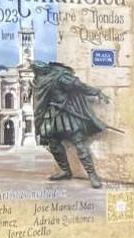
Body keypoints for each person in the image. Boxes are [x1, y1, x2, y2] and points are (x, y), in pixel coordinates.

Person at [30, 60, 112, 188]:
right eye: (37, 71)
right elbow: (38, 103)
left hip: (66, 115)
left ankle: (92, 175)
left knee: (79, 145)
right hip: (50, 117)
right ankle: (65, 171)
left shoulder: (60, 77)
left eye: (42, 70)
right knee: (54, 145)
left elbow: (79, 86)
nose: (40, 72)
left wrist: (96, 92)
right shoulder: (37, 82)